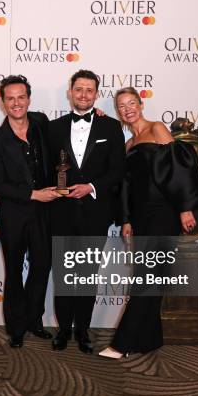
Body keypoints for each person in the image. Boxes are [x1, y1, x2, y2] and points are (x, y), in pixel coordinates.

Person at [98, 87, 198, 359]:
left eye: (131, 103)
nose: (127, 109)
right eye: (121, 106)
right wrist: (125, 220)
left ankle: (121, 344)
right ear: (118, 112)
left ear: (140, 103)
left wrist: (185, 208)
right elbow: (126, 187)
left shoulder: (157, 129)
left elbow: (180, 168)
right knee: (151, 277)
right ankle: (149, 339)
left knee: (147, 278)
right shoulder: (128, 145)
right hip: (142, 218)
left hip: (164, 214)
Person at [47, 70, 125, 353]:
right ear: (70, 92)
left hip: (95, 213)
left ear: (96, 94)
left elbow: (118, 170)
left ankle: (83, 331)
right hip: (61, 214)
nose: (83, 95)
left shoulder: (111, 128)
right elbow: (47, 169)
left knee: (87, 274)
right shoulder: (53, 128)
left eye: (89, 90)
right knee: (64, 274)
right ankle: (63, 330)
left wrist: (91, 186)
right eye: (78, 89)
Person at [0, 75, 60, 348]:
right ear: (3, 102)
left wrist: (97, 114)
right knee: (14, 271)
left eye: (21, 97)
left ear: (29, 99)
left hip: (44, 213)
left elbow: (65, 131)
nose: (16, 103)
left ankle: (34, 320)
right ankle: (16, 327)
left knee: (42, 267)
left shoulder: (41, 123)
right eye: (10, 98)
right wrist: (33, 194)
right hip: (14, 214)